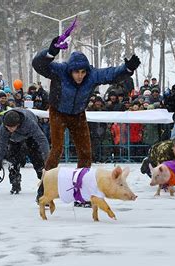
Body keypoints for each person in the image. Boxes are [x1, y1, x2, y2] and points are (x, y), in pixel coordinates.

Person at [32, 36, 140, 205]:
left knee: (85, 152)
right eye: (77, 72)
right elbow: (39, 65)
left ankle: (80, 191)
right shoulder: (60, 71)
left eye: (83, 72)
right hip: (58, 112)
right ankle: (43, 188)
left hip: (78, 114)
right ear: (70, 71)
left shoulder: (92, 75)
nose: (80, 76)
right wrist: (51, 51)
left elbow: (111, 74)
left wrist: (127, 69)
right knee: (57, 150)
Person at [0, 108, 49, 195]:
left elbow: (42, 139)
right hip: (14, 139)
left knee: (36, 158)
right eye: (7, 127)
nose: (9, 129)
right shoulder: (4, 127)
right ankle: (15, 182)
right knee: (13, 159)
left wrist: (47, 157)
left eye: (11, 127)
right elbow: (1, 144)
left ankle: (45, 182)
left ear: (18, 124)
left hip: (30, 136)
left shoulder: (30, 123)